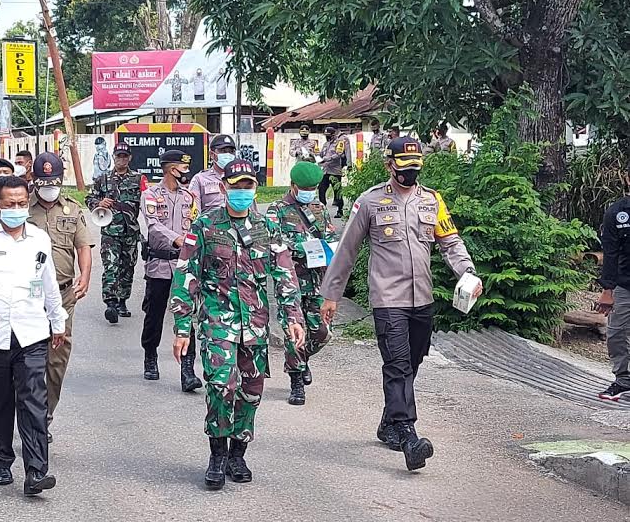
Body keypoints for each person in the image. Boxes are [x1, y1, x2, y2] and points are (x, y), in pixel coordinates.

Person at [319, 137, 481, 472]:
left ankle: (388, 422)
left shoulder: (432, 201)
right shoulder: (370, 202)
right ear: (389, 165)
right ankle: (408, 436)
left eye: (415, 167)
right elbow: (347, 250)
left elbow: (450, 241)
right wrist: (331, 294)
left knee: (413, 361)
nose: (410, 173)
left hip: (422, 297)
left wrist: (468, 272)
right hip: (387, 298)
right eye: (404, 167)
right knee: (397, 365)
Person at [170, 158, 305, 490]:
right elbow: (186, 276)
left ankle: (238, 453)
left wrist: (294, 318)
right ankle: (217, 453)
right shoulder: (204, 226)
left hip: (256, 325)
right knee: (220, 385)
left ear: (255, 188)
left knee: (250, 391)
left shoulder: (268, 229)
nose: (242, 191)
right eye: (236, 186)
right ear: (223, 187)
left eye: (248, 186)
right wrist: (182, 326)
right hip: (218, 321)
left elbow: (285, 276)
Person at [0, 175, 67, 497]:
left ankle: (36, 472)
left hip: (32, 333)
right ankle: (1, 460)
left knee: (34, 402)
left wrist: (57, 321)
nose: (17, 210)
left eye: (21, 204)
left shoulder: (38, 238)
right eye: (10, 205)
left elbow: (48, 282)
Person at [27, 152, 94, 440]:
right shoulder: (22, 209)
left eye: (54, 182)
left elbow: (84, 247)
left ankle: (45, 414)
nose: (49, 188)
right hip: (29, 296)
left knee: (56, 360)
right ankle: (27, 414)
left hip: (64, 293)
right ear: (35, 181)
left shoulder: (73, 210)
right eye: (44, 182)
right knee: (27, 358)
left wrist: (85, 276)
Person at [266, 161, 339, 405]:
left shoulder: (318, 208)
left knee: (322, 332)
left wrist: (328, 250)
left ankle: (300, 358)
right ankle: (296, 381)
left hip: (317, 281)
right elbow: (273, 243)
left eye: (314, 187)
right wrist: (303, 249)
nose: (310, 192)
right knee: (293, 331)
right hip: (291, 281)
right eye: (305, 187)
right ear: (293, 186)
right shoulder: (277, 210)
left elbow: (329, 237)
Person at [140, 150, 200, 389]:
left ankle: (188, 370)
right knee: (154, 315)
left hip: (184, 266)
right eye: (181, 168)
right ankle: (150, 355)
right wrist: (176, 239)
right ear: (169, 169)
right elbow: (153, 226)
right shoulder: (151, 194)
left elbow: (197, 222)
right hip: (159, 264)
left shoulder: (190, 197)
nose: (186, 173)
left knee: (185, 314)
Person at [86, 142, 147, 324]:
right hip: (110, 231)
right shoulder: (103, 178)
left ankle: (122, 301)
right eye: (118, 156)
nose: (121, 159)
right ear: (113, 157)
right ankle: (110, 303)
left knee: (127, 267)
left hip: (130, 231)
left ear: (130, 158)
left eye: (125, 156)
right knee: (111, 266)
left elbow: (148, 202)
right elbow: (89, 198)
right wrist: (98, 203)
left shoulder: (138, 179)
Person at [596, 162, 630, 401]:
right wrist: (607, 289)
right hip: (624, 284)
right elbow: (610, 252)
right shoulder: (617, 213)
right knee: (616, 333)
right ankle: (623, 380)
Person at [188, 134, 238, 211]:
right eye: (223, 151)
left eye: (231, 152)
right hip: (210, 222)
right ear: (212, 154)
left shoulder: (241, 177)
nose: (228, 155)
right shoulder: (200, 179)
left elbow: (253, 213)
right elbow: (194, 213)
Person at [318, 126, 348, 218]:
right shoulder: (326, 144)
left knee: (337, 192)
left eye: (329, 135)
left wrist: (328, 158)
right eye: (326, 135)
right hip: (325, 171)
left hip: (335, 171)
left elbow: (339, 154)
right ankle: (322, 209)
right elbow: (321, 154)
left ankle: (340, 211)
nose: (327, 137)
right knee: (321, 190)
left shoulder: (339, 143)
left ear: (333, 135)